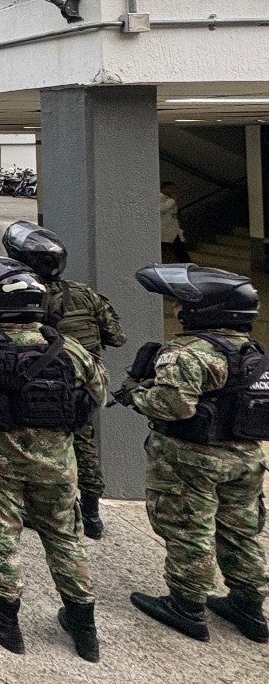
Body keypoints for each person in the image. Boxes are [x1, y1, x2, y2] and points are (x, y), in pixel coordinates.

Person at [0, 256, 108, 662]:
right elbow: (95, 395)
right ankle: (84, 627)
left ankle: (4, 619)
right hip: (58, 465)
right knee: (65, 537)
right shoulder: (71, 350)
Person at [119, 264, 268, 645]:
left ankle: (186, 606)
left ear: (206, 309)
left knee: (189, 529)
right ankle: (249, 606)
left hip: (191, 458)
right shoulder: (254, 352)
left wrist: (135, 394)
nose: (176, 308)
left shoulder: (186, 353)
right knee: (240, 531)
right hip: (245, 458)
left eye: (183, 302)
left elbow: (173, 406)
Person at [3, 221, 126, 539]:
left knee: (36, 445)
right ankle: (92, 515)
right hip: (85, 384)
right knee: (85, 443)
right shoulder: (85, 294)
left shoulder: (23, 296)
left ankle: (40, 508)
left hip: (41, 385)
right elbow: (116, 336)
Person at [159, 182, 190, 263]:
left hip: (173, 231)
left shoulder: (169, 200)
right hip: (164, 233)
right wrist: (173, 200)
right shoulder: (160, 198)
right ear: (164, 189)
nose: (174, 191)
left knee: (181, 252)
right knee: (164, 253)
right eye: (171, 188)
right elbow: (161, 209)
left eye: (174, 189)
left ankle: (187, 266)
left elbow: (173, 217)